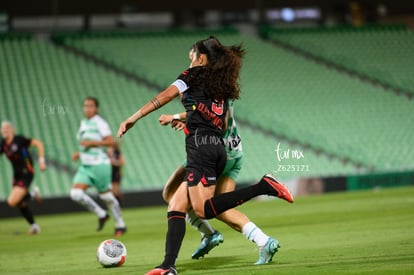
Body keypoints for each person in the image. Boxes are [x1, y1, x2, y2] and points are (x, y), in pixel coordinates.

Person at [117, 36, 293, 275]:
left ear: (201, 57)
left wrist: (133, 117)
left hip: (202, 149)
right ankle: (168, 265)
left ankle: (263, 186)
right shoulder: (220, 84)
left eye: (192, 56)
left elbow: (166, 95)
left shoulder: (191, 76)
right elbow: (214, 118)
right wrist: (187, 122)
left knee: (204, 210)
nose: (189, 59)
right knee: (176, 204)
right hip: (215, 147)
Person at [159, 100, 280, 265]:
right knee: (219, 207)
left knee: (173, 196)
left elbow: (206, 115)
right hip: (234, 152)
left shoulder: (207, 88)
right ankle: (264, 241)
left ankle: (205, 237)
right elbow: (208, 115)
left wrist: (175, 118)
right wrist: (187, 122)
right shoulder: (222, 90)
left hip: (209, 153)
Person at [71, 96, 127, 236]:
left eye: (90, 106)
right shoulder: (84, 122)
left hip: (99, 165)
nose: (87, 108)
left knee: (107, 197)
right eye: (85, 106)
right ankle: (102, 214)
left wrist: (92, 143)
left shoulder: (100, 123)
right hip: (85, 166)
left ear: (96, 108)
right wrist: (80, 152)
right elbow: (85, 143)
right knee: (75, 193)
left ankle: (120, 224)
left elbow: (111, 142)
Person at [0, 120, 46, 235]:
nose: (4, 130)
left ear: (12, 129)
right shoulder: (3, 144)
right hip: (16, 175)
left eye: (7, 128)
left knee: (11, 202)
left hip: (27, 172)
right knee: (20, 203)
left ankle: (33, 194)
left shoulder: (19, 140)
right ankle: (34, 226)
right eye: (2, 128)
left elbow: (38, 143)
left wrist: (41, 161)